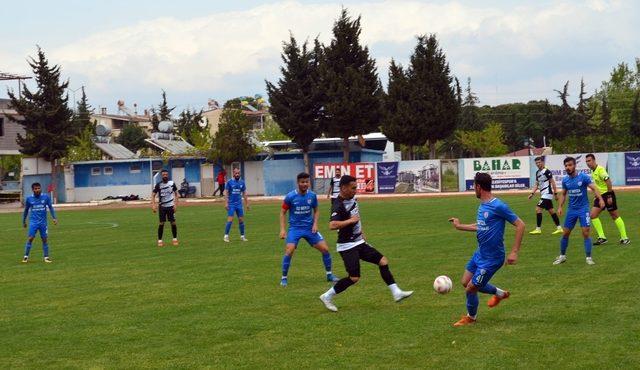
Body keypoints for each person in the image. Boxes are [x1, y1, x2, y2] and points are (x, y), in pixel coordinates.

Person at [319, 175, 413, 312]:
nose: (355, 190)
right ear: (343, 188)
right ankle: (327, 296)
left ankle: (396, 292)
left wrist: (360, 231)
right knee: (354, 278)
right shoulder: (337, 205)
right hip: (347, 246)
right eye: (353, 188)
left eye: (356, 187)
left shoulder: (352, 199)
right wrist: (351, 221)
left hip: (359, 242)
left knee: (383, 261)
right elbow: (332, 225)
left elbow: (356, 216)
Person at [448, 172, 525, 327]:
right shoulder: (483, 205)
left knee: (471, 289)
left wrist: (514, 251)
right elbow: (480, 226)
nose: (473, 190)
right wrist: (459, 226)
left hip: (492, 258)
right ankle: (500, 294)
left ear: (478, 187)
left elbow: (520, 225)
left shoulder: (498, 206)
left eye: (474, 187)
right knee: (466, 282)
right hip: (480, 253)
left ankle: (471, 317)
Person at [279, 172, 339, 287]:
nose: (305, 184)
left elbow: (316, 210)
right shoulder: (290, 196)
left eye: (307, 182)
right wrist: (282, 230)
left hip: (309, 228)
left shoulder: (312, 196)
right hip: (295, 229)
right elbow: (282, 212)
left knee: (325, 249)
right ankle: (284, 278)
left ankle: (329, 275)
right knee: (289, 250)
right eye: (302, 182)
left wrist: (315, 224)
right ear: (298, 183)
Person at [554, 157, 604, 265]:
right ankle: (562, 256)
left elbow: (594, 188)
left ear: (575, 165)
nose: (568, 167)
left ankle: (589, 258)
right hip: (571, 210)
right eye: (566, 166)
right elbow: (563, 194)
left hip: (583, 209)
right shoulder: (565, 180)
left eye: (570, 165)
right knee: (565, 233)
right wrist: (560, 207)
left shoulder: (583, 177)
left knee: (585, 232)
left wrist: (600, 199)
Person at [586, 154, 630, 245]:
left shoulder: (600, 170)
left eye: (589, 160)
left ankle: (624, 238)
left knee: (614, 215)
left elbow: (608, 182)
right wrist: (597, 196)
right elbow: (598, 186)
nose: (588, 163)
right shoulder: (593, 171)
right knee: (593, 215)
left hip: (607, 195)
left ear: (594, 160)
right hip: (600, 196)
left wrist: (609, 196)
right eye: (586, 161)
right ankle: (602, 237)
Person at [22, 182, 58, 263]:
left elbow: (51, 208)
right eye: (36, 189)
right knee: (30, 238)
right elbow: (26, 210)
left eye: (39, 188)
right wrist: (24, 221)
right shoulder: (29, 199)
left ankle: (46, 257)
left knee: (44, 239)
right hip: (33, 222)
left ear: (40, 188)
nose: (37, 190)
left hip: (43, 223)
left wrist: (54, 218)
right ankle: (25, 256)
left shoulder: (46, 197)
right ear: (33, 190)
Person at [528, 156, 562, 235]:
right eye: (536, 163)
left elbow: (552, 182)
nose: (538, 164)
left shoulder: (546, 171)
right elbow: (536, 184)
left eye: (539, 162)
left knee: (538, 209)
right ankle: (559, 228)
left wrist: (555, 194)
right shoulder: (537, 173)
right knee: (551, 211)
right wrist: (532, 193)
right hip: (543, 194)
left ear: (543, 162)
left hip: (547, 194)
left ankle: (538, 229)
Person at [152, 169, 179, 247]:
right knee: (161, 223)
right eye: (163, 175)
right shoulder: (158, 185)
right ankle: (160, 240)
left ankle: (175, 239)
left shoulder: (172, 183)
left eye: (166, 175)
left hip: (171, 206)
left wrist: (176, 205)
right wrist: (153, 205)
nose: (165, 176)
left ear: (168, 175)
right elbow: (153, 195)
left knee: (173, 222)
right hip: (162, 207)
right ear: (161, 176)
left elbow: (176, 194)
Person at [224, 168, 249, 242]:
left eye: (238, 173)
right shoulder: (229, 182)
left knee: (241, 220)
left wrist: (247, 203)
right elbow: (226, 193)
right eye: (236, 173)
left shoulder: (242, 182)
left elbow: (244, 193)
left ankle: (242, 236)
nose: (237, 174)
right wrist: (226, 203)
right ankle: (226, 236)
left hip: (239, 204)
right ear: (233, 174)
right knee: (230, 220)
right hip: (231, 204)